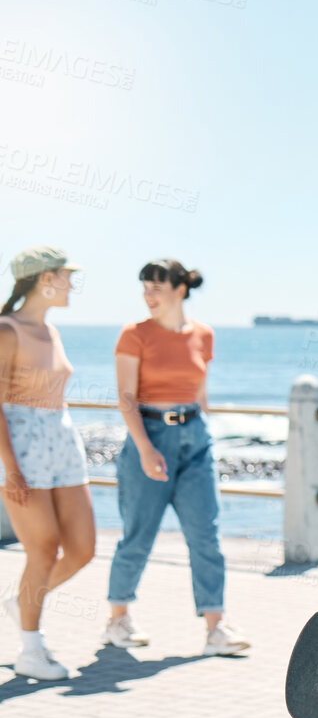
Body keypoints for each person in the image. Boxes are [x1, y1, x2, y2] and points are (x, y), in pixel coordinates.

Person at [104, 259, 246, 656]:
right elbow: (126, 398)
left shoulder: (204, 334)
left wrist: (204, 431)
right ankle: (117, 621)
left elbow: (200, 392)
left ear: (180, 290)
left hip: (196, 438)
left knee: (206, 534)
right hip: (148, 435)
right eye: (145, 289)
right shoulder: (134, 335)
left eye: (157, 289)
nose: (149, 296)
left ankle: (216, 628)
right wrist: (146, 450)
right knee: (138, 535)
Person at [0, 246, 95, 682]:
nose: (72, 284)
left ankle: (21, 601)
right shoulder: (7, 330)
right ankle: (30, 649)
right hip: (21, 447)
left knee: (81, 550)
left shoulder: (51, 332)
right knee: (42, 549)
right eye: (65, 276)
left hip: (62, 442)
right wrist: (11, 470)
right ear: (44, 279)